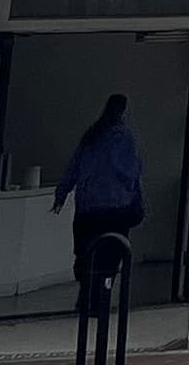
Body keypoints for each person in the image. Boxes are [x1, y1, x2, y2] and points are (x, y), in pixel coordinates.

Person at [53, 93, 146, 297]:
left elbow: (73, 167)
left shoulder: (92, 135)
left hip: (87, 207)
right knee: (111, 256)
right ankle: (100, 298)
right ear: (124, 112)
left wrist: (61, 194)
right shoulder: (125, 137)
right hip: (116, 207)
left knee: (87, 253)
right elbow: (132, 172)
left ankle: (85, 296)